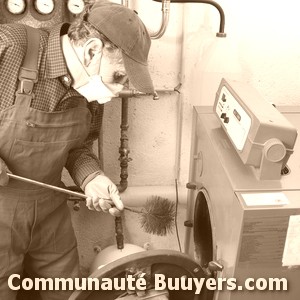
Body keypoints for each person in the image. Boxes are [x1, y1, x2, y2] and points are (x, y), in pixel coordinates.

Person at [0, 1, 155, 299]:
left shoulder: (90, 91)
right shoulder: (10, 46)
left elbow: (77, 147)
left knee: (67, 293)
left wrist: (91, 177)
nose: (115, 91)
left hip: (50, 213)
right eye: (119, 77)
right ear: (92, 50)